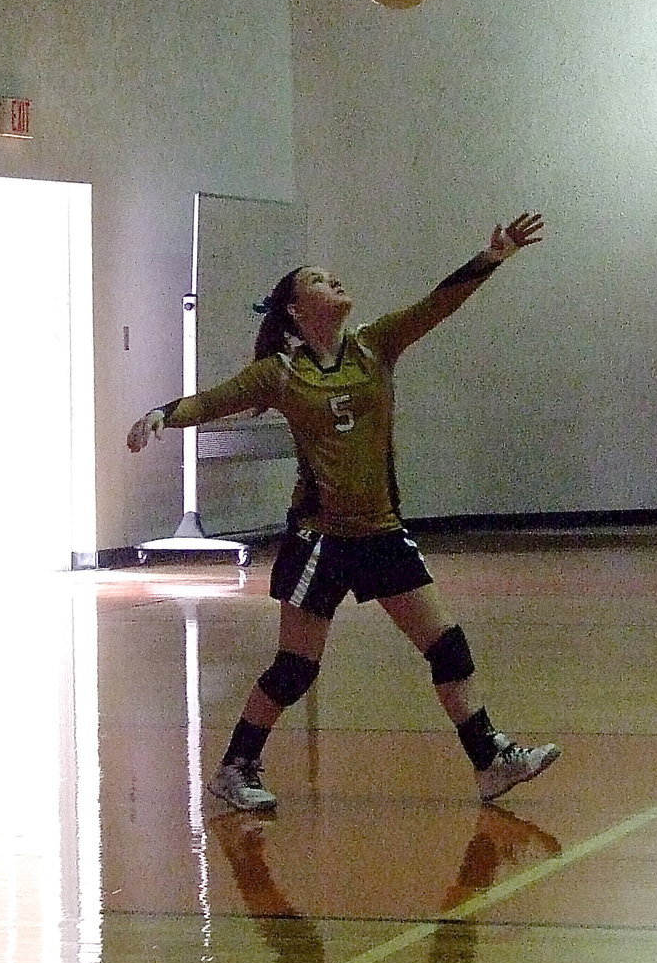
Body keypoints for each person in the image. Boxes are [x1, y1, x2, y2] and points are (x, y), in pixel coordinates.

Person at [128, 213, 561, 810]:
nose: (333, 282)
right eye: (318, 279)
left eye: (333, 276)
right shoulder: (281, 373)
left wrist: (493, 257)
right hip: (320, 540)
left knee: (447, 645)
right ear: (295, 311)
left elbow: (436, 305)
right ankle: (236, 767)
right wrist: (162, 414)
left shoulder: (375, 347)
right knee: (296, 667)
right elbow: (216, 398)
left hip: (382, 533)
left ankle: (491, 761)